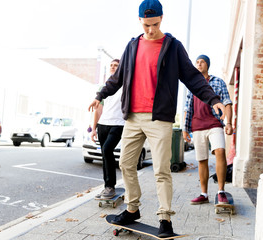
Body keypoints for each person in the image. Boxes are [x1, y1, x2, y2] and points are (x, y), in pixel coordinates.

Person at [88, 0, 226, 237]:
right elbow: (118, 78)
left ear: (162, 18)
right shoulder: (132, 46)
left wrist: (213, 99)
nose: (150, 30)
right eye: (146, 25)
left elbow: (192, 77)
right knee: (126, 164)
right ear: (139, 20)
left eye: (154, 24)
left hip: (159, 119)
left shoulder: (172, 47)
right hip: (132, 118)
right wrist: (100, 95)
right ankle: (132, 209)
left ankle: (165, 218)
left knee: (161, 169)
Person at [183, 55, 233, 206]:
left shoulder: (218, 82)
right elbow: (187, 108)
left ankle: (221, 191)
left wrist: (229, 122)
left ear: (207, 65)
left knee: (220, 152)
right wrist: (185, 129)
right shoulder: (192, 84)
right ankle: (204, 194)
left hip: (214, 124)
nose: (199, 64)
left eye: (202, 62)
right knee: (202, 160)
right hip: (197, 126)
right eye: (197, 62)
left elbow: (227, 103)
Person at [91, 59, 124, 199]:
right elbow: (98, 109)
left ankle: (110, 186)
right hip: (103, 124)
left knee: (107, 149)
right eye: (111, 65)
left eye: (116, 65)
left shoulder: (125, 85)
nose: (112, 67)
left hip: (118, 123)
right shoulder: (104, 87)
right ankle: (107, 187)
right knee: (105, 156)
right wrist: (93, 128)